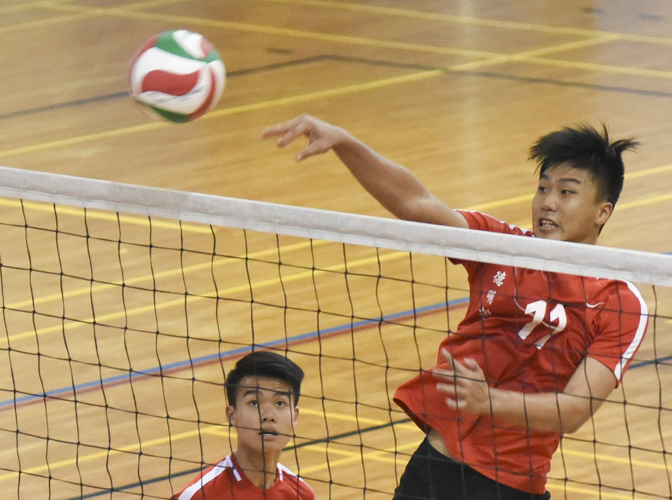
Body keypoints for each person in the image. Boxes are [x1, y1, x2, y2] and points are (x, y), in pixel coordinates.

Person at [262, 115, 648, 499]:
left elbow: (574, 410)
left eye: (566, 192)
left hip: (508, 488)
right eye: (543, 188)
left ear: (602, 211)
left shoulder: (619, 301)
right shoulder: (501, 245)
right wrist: (345, 142)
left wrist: (489, 402)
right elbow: (416, 202)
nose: (547, 202)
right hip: (434, 467)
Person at [172, 350, 314, 500]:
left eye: (280, 403)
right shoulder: (200, 495)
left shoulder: (301, 494)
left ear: (295, 416)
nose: (268, 416)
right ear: (231, 415)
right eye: (254, 403)